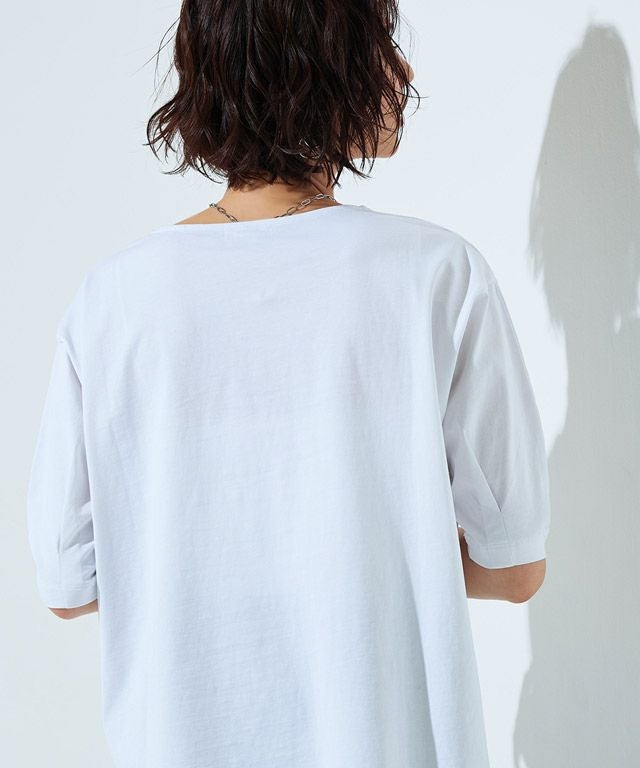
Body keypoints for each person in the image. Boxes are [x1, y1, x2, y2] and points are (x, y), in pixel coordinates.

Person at [26, 1, 550, 766]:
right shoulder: (435, 275)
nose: (403, 72)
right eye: (381, 45)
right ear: (327, 67)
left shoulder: (113, 299)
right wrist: (377, 544)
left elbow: (68, 585)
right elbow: (516, 569)